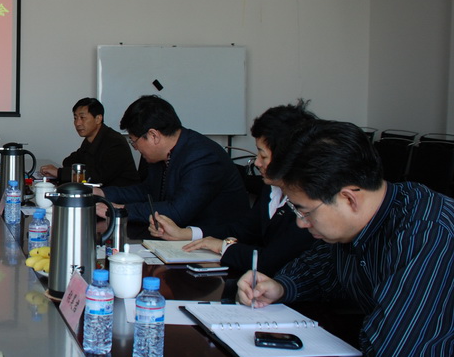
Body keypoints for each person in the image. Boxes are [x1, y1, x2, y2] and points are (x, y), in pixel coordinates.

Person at [238, 120, 454, 357]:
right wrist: (281, 286)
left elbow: (400, 356)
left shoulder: (426, 232)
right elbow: (319, 269)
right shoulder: (356, 224)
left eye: (304, 211)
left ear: (350, 198)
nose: (300, 222)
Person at [149, 100, 317, 275]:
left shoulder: (307, 205)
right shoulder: (272, 188)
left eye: (263, 155)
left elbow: (271, 260)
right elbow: (243, 230)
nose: (257, 163)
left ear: (288, 156)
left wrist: (224, 247)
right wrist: (184, 233)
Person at [98, 95, 250, 230]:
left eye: (134, 141)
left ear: (153, 136)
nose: (135, 148)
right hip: (175, 237)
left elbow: (177, 212)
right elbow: (146, 192)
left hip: (215, 241)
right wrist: (102, 193)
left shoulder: (202, 156)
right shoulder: (163, 154)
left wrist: (120, 210)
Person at [38, 97, 138, 188]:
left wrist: (59, 173)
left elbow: (97, 177)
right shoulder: (90, 139)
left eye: (82, 118)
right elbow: (69, 161)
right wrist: (60, 172)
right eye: (75, 118)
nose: (77, 123)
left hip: (120, 197)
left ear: (98, 119)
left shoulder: (115, 142)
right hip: (100, 193)